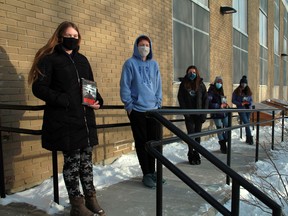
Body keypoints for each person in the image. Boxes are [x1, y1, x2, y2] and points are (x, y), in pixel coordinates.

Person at [28, 21, 105, 216]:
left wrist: (98, 100)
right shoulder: (50, 59)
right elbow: (39, 87)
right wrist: (63, 99)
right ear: (60, 37)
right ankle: (77, 205)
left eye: (75, 36)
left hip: (85, 120)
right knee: (72, 163)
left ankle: (91, 198)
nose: (72, 39)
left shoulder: (82, 60)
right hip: (65, 121)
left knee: (86, 163)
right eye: (68, 35)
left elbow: (90, 86)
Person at [120, 35, 162, 189]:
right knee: (142, 142)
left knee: (154, 142)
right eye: (141, 44)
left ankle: (153, 172)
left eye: (147, 45)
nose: (144, 47)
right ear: (136, 47)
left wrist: (158, 102)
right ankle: (146, 174)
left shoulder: (154, 64)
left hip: (153, 110)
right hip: (137, 110)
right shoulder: (130, 64)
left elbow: (158, 85)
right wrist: (129, 106)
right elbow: (125, 86)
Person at [177, 65, 208, 165]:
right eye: (190, 72)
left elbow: (205, 100)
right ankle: (190, 154)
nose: (192, 74)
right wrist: (185, 112)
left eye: (194, 72)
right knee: (191, 135)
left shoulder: (201, 85)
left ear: (197, 73)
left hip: (199, 114)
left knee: (197, 135)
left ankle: (197, 154)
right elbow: (180, 98)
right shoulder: (183, 84)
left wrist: (204, 114)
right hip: (189, 115)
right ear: (187, 73)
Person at [208, 76, 229, 154]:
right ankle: (223, 146)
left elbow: (223, 101)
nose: (219, 84)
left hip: (224, 113)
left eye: (221, 83)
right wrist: (218, 106)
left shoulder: (221, 90)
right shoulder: (211, 91)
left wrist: (226, 105)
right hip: (216, 113)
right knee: (219, 129)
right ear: (215, 82)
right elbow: (209, 103)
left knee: (227, 126)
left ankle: (226, 139)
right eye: (218, 82)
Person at [232, 75, 253, 145]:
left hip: (248, 109)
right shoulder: (236, 91)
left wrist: (248, 103)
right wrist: (241, 103)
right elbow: (233, 100)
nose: (243, 84)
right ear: (240, 83)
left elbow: (251, 100)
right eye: (242, 83)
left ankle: (248, 138)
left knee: (247, 123)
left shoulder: (248, 91)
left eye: (245, 83)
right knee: (247, 123)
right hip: (241, 109)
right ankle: (250, 138)